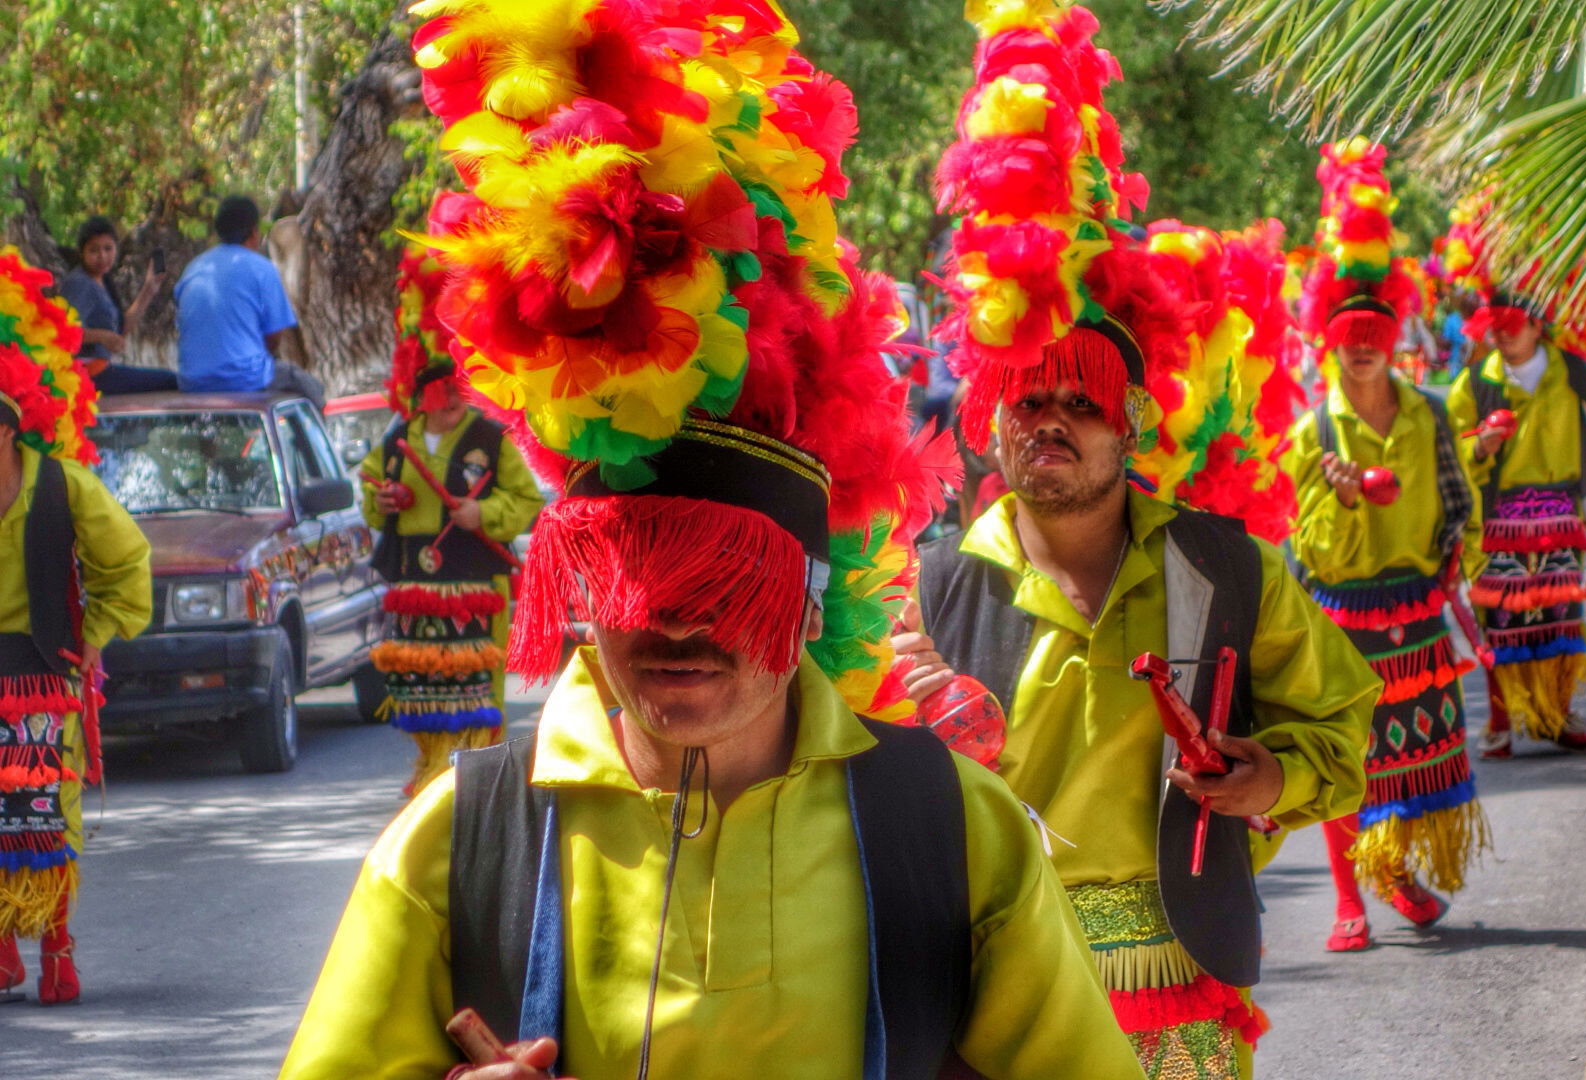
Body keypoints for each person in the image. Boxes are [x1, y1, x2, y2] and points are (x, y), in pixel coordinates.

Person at [281, 9, 1144, 1076]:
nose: (674, 616)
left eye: (723, 578)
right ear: (581, 584)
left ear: (808, 595)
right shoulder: (462, 844)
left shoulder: (952, 833)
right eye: (637, 574)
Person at [901, 16, 1379, 1077]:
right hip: (990, 991)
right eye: (1024, 400)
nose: (1048, 422)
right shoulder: (925, 590)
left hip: (1180, 979)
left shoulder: (1223, 567)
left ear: (1131, 429)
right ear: (988, 423)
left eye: (1080, 401)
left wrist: (1274, 778)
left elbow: (1342, 724)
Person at [1283, 140, 1489, 953]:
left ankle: (1396, 878)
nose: (1361, 345)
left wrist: (1452, 578)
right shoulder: (1313, 432)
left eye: (1374, 332)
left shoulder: (1431, 412)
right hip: (1345, 618)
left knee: (1412, 760)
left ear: (1392, 336)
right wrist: (1336, 496)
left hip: (1419, 607)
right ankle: (1349, 900)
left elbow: (1460, 508)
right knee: (1350, 762)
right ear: (1330, 342)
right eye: (1348, 333)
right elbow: (1312, 553)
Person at [0, 247, 152, 1004]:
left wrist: (91, 640)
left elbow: (127, 564)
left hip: (41, 673)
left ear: (8, 429)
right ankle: (3, 949)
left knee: (45, 812)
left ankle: (57, 948)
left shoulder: (63, 483)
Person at [360, 241, 543, 796]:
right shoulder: (400, 440)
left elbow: (527, 502)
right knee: (424, 693)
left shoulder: (491, 439)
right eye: (439, 388)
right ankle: (431, 779)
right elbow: (369, 492)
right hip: (418, 587)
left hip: (475, 587)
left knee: (476, 700)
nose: (448, 397)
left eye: (456, 386)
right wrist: (385, 500)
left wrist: (481, 512)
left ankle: (481, 788)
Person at [1447, 290, 1586, 756]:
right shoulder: (1476, 382)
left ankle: (1556, 716)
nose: (1501, 334)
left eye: (1511, 324)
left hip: (1561, 514)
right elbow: (1449, 448)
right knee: (1500, 623)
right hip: (1497, 517)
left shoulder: (1575, 373)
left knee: (1562, 619)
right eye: (1494, 325)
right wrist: (1479, 447)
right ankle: (1501, 724)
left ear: (1537, 326)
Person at [174, 195, 324, 408]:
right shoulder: (262, 268)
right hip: (245, 380)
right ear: (254, 232)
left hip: (191, 381)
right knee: (310, 387)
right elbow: (274, 338)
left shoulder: (193, 268)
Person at [55, 216, 177, 395]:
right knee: (171, 380)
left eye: (108, 248)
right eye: (94, 250)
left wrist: (149, 289)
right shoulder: (79, 283)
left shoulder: (102, 281)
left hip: (102, 370)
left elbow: (121, 330)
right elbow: (63, 332)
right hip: (87, 376)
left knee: (170, 379)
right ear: (82, 253)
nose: (102, 256)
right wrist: (102, 337)